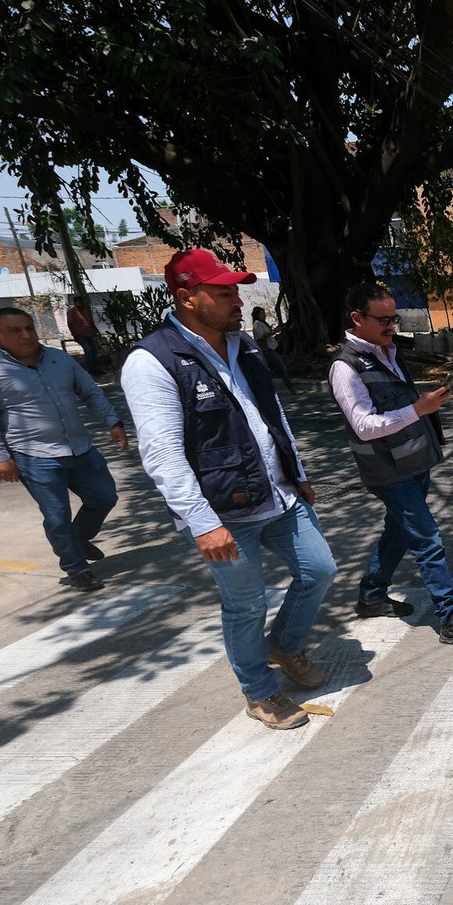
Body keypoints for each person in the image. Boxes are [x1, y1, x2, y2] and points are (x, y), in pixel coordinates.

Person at [122, 249, 336, 731]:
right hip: (221, 511)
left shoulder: (245, 345)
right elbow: (162, 454)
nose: (236, 300)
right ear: (186, 298)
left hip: (276, 493)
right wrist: (202, 523)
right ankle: (260, 693)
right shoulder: (152, 361)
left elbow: (271, 414)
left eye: (235, 290)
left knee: (320, 569)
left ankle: (283, 643)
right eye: (222, 293)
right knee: (245, 604)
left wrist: (296, 471)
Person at [329, 280, 453, 646]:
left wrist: (424, 404)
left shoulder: (384, 351)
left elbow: (395, 406)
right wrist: (417, 409)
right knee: (427, 538)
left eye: (394, 317)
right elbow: (363, 424)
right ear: (357, 318)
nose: (393, 326)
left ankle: (372, 594)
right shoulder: (346, 367)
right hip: (387, 469)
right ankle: (450, 616)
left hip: (413, 461)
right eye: (383, 320)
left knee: (398, 531)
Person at [0, 306, 127, 592]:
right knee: (56, 515)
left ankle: (78, 538)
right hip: (33, 455)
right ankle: (76, 568)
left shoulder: (58, 359)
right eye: (15, 330)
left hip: (79, 448)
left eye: (29, 328)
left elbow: (89, 390)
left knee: (104, 497)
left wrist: (113, 421)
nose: (26, 335)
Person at [251, 305, 300, 394]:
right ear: (257, 315)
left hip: (271, 349)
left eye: (264, 313)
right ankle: (292, 389)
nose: (264, 315)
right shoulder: (257, 324)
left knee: (271, 371)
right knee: (282, 369)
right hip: (268, 351)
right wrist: (273, 331)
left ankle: (267, 390)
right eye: (262, 314)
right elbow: (262, 336)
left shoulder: (262, 324)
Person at [67, 295, 101, 374]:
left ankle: (95, 368)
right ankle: (90, 368)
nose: (82, 304)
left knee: (94, 350)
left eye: (82, 302)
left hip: (89, 334)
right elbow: (70, 324)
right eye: (79, 302)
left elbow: (90, 322)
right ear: (75, 303)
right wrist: (74, 335)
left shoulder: (85, 311)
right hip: (80, 334)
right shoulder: (72, 312)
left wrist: (97, 331)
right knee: (88, 349)